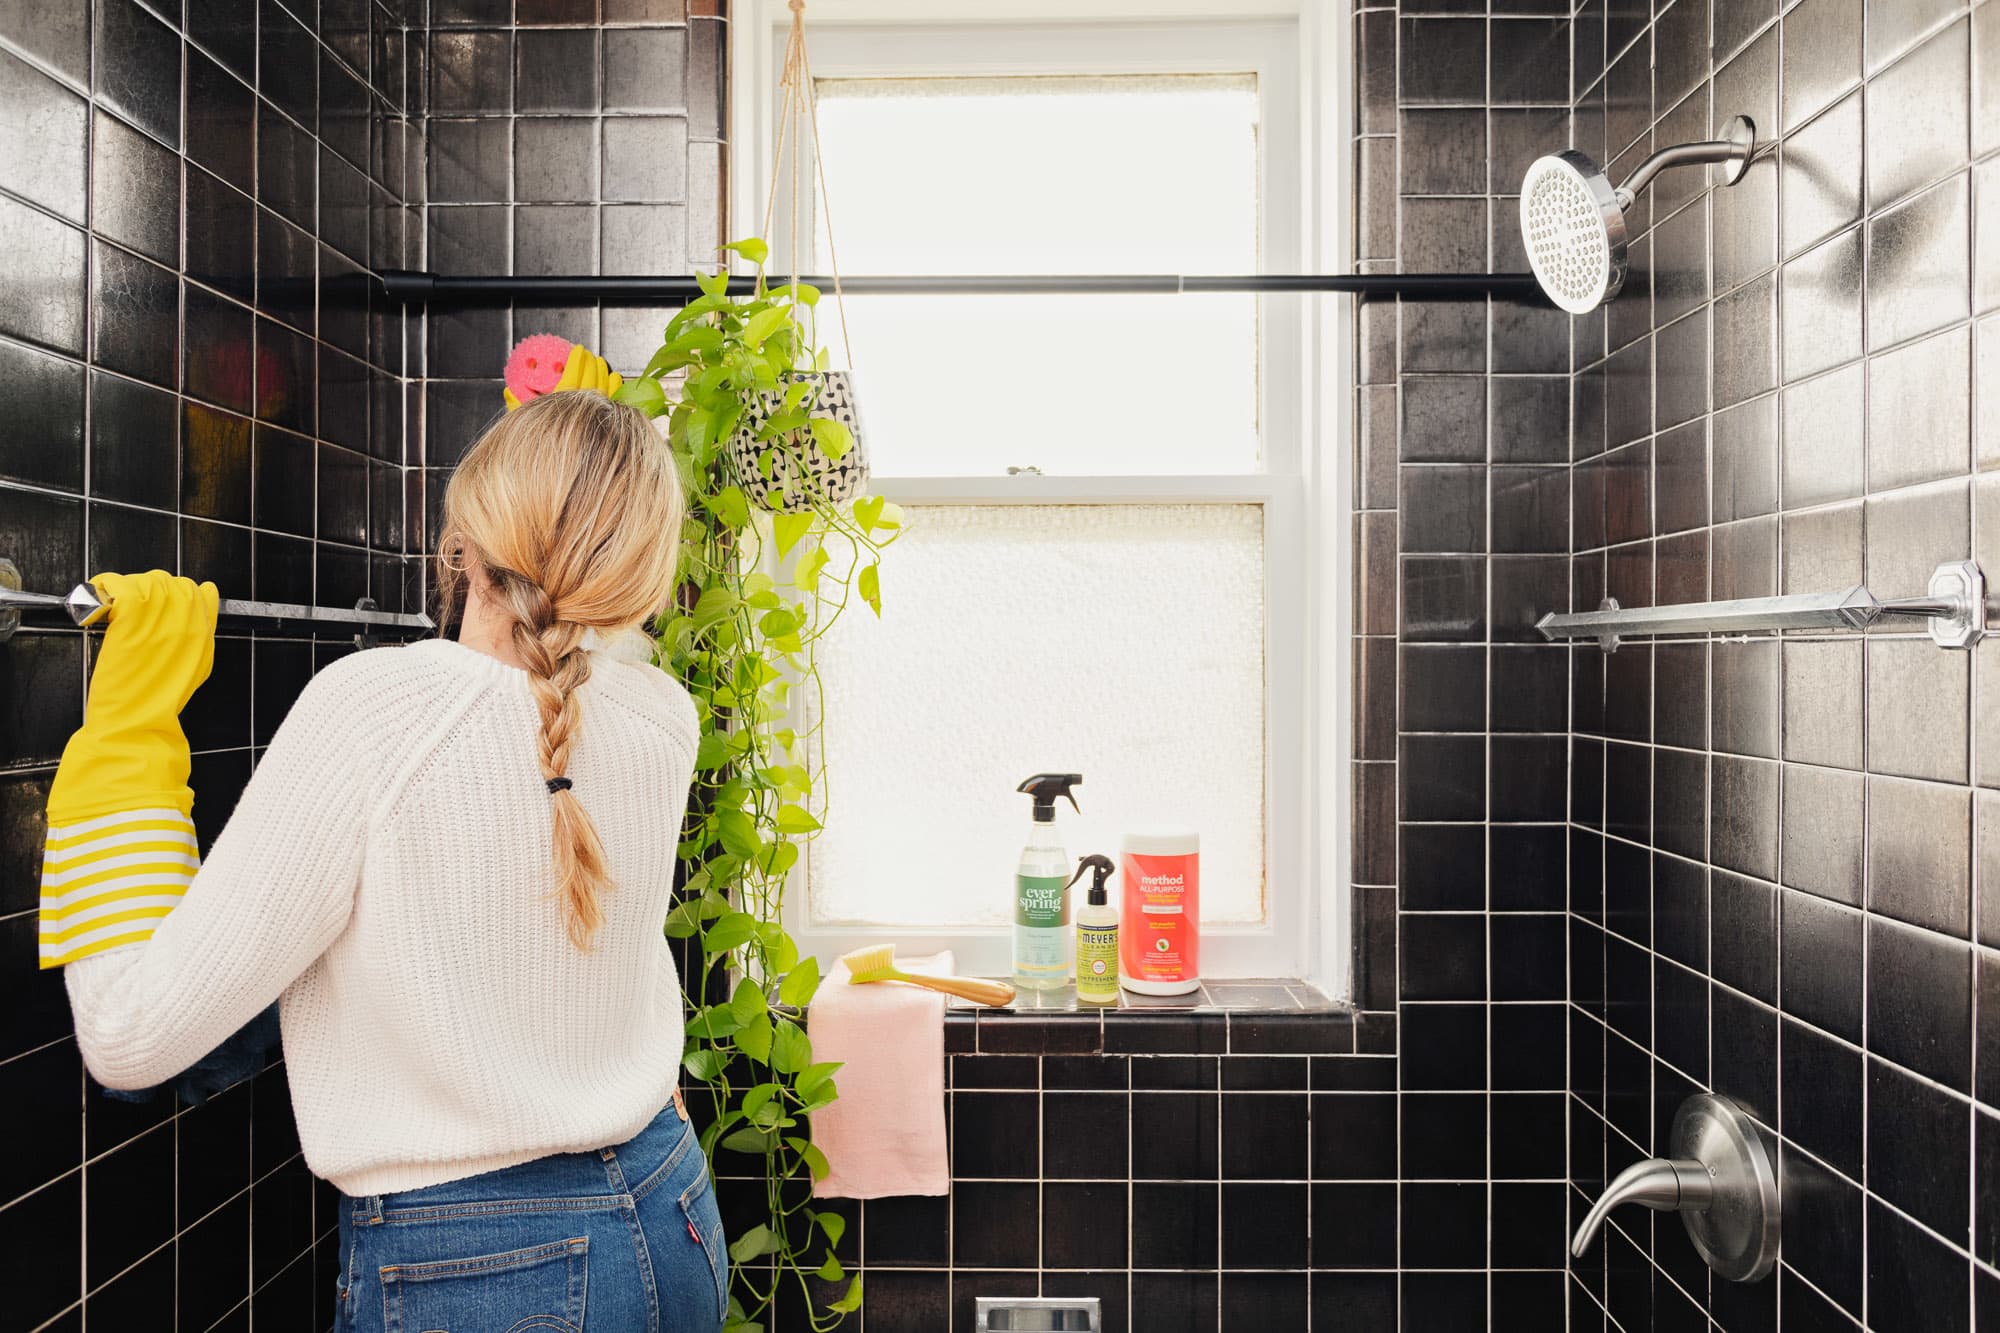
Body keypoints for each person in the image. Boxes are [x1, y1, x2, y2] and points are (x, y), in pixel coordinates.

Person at [39, 349, 726, 1332]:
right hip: (671, 1214)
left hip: (487, 1271)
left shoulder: (376, 713)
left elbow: (129, 1037)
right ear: (644, 578)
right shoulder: (664, 716)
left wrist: (124, 745)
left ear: (461, 539)